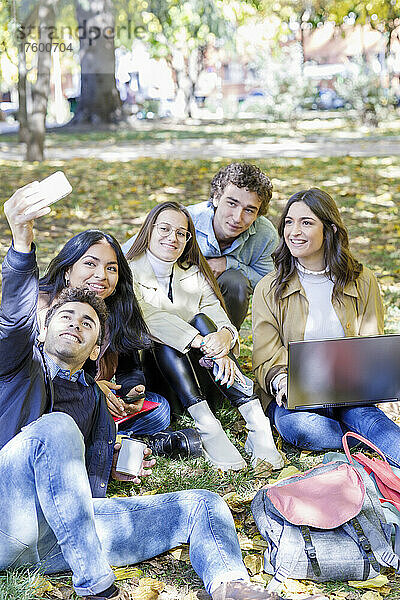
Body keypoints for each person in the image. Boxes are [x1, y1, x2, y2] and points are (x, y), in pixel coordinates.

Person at [0, 186, 327, 600]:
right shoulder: (18, 367)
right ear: (44, 326)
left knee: (203, 503)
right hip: (7, 514)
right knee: (58, 429)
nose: (74, 325)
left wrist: (112, 460)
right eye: (66, 316)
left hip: (65, 531)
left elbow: (74, 477)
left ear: (98, 348)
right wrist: (22, 243)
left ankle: (233, 585)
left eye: (88, 324)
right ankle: (97, 586)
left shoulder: (94, 398)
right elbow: (12, 320)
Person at [124, 201, 283, 472]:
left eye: (181, 233)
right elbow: (149, 318)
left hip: (203, 369)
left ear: (188, 239)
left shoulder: (192, 271)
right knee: (169, 335)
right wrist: (203, 342)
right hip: (160, 377)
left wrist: (225, 336)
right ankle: (207, 426)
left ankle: (256, 420)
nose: (172, 238)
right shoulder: (128, 271)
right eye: (164, 229)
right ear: (149, 230)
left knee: (201, 320)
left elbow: (215, 311)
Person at [252, 187, 400, 465]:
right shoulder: (268, 288)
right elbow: (264, 353)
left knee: (375, 423)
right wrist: (282, 380)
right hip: (296, 395)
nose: (294, 231)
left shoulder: (362, 279)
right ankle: (355, 438)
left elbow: (371, 340)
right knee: (301, 428)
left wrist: (380, 386)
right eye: (289, 222)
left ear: (329, 229)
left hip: (349, 389)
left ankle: (359, 433)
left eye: (306, 222)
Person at [38, 230, 201, 458]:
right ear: (68, 269)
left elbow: (129, 366)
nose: (101, 275)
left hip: (100, 401)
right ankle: (121, 443)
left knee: (160, 410)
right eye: (90, 264)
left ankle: (115, 439)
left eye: (111, 268)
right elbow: (38, 377)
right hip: (52, 405)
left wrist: (132, 390)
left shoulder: (116, 309)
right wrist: (92, 389)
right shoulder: (46, 309)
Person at [187, 162, 278, 329]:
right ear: (216, 197)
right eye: (232, 203)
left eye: (249, 210)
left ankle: (226, 345)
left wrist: (229, 264)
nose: (237, 218)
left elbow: (268, 284)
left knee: (236, 282)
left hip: (225, 301)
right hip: (178, 297)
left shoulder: (265, 235)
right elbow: (130, 256)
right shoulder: (186, 220)